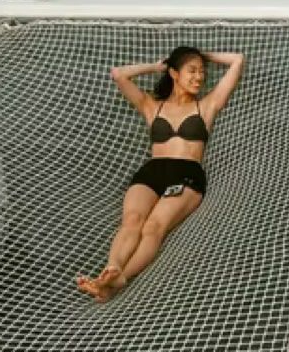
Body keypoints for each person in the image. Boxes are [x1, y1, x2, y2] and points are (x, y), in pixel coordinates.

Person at [75, 46, 245, 302]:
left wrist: (201, 55)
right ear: (175, 74)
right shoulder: (152, 106)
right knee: (132, 220)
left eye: (202, 72)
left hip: (187, 174)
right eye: (192, 71)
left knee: (154, 227)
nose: (199, 77)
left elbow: (237, 60)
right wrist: (157, 66)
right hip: (152, 171)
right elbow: (119, 74)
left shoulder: (208, 105)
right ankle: (110, 270)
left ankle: (120, 280)